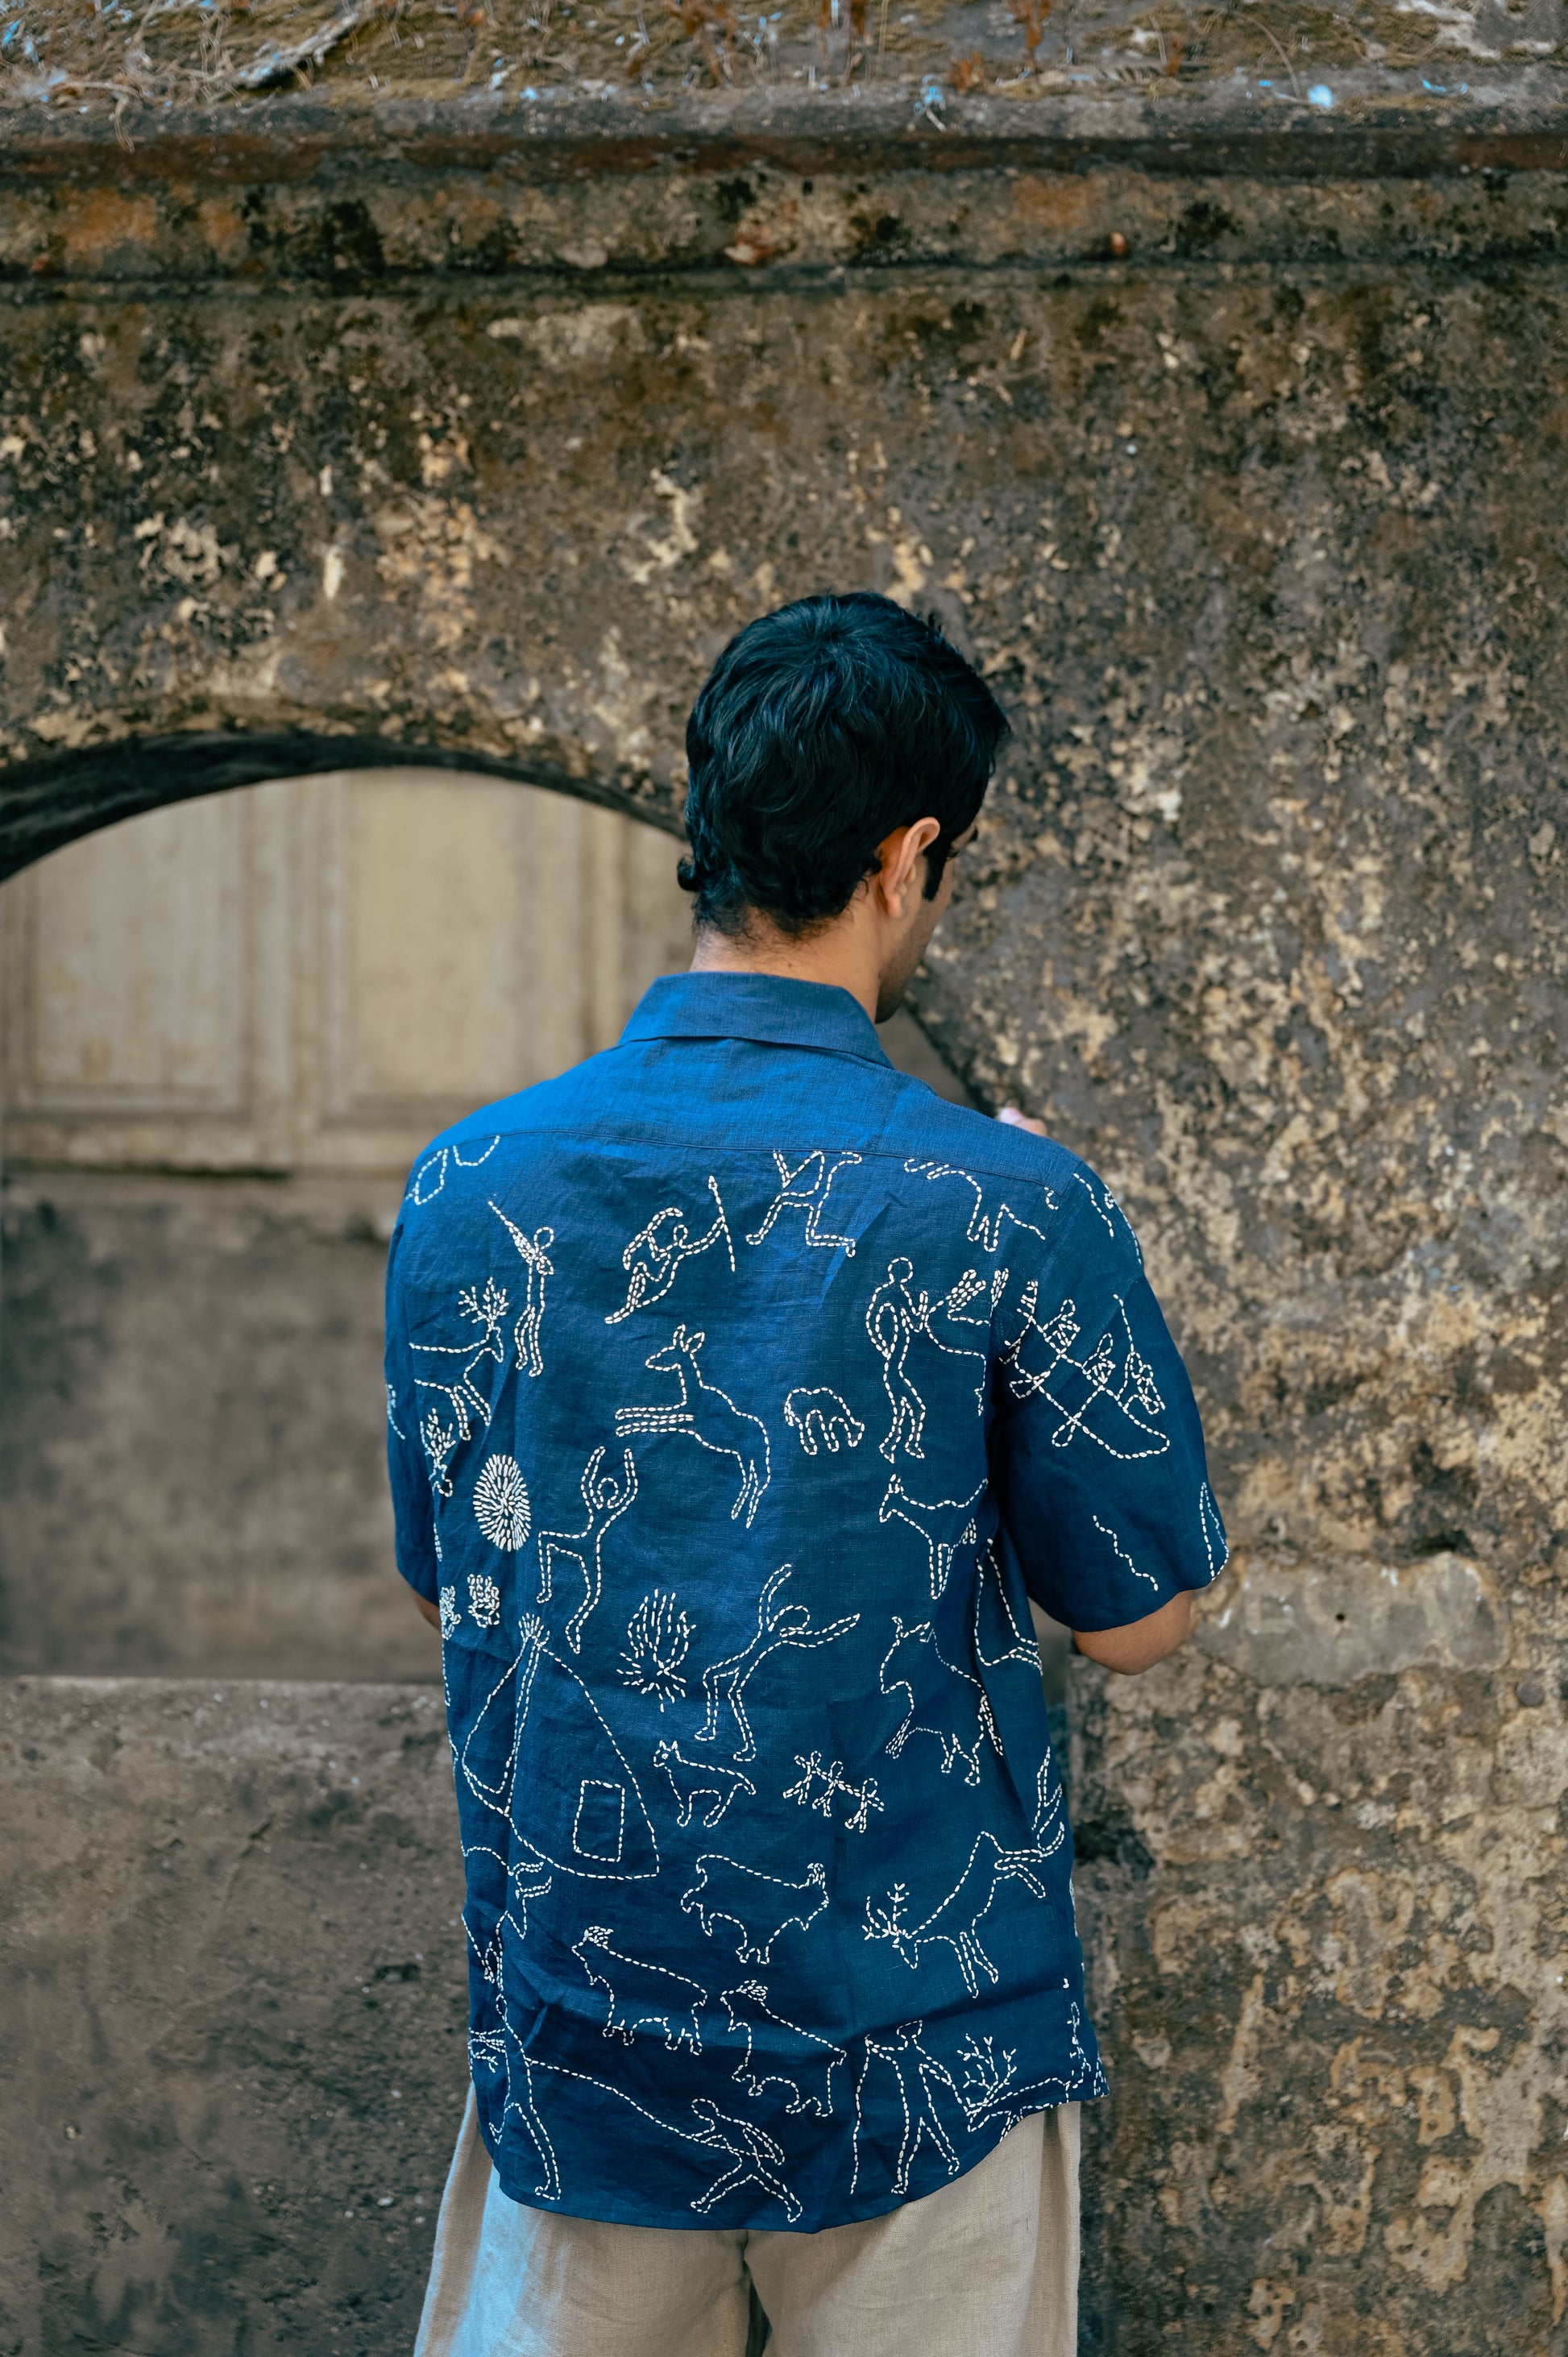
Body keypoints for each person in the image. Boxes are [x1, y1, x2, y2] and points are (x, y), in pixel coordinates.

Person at [385, 592, 1227, 2357]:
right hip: (921, 2043)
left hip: (586, 2030)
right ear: (910, 852)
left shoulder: (468, 1184)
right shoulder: (1009, 1201)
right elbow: (1140, 1623)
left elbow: (455, 1567)